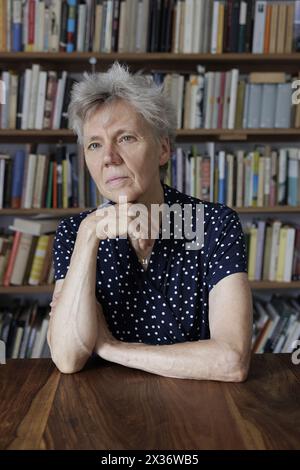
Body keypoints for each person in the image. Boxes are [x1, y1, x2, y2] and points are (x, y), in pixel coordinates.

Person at [47, 61, 253, 381]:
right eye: (95, 144)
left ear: (163, 149)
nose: (109, 158)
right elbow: (68, 358)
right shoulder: (75, 232)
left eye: (126, 138)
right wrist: (89, 237)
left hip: (200, 412)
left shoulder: (213, 224)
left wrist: (112, 348)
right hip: (103, 412)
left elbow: (231, 360)